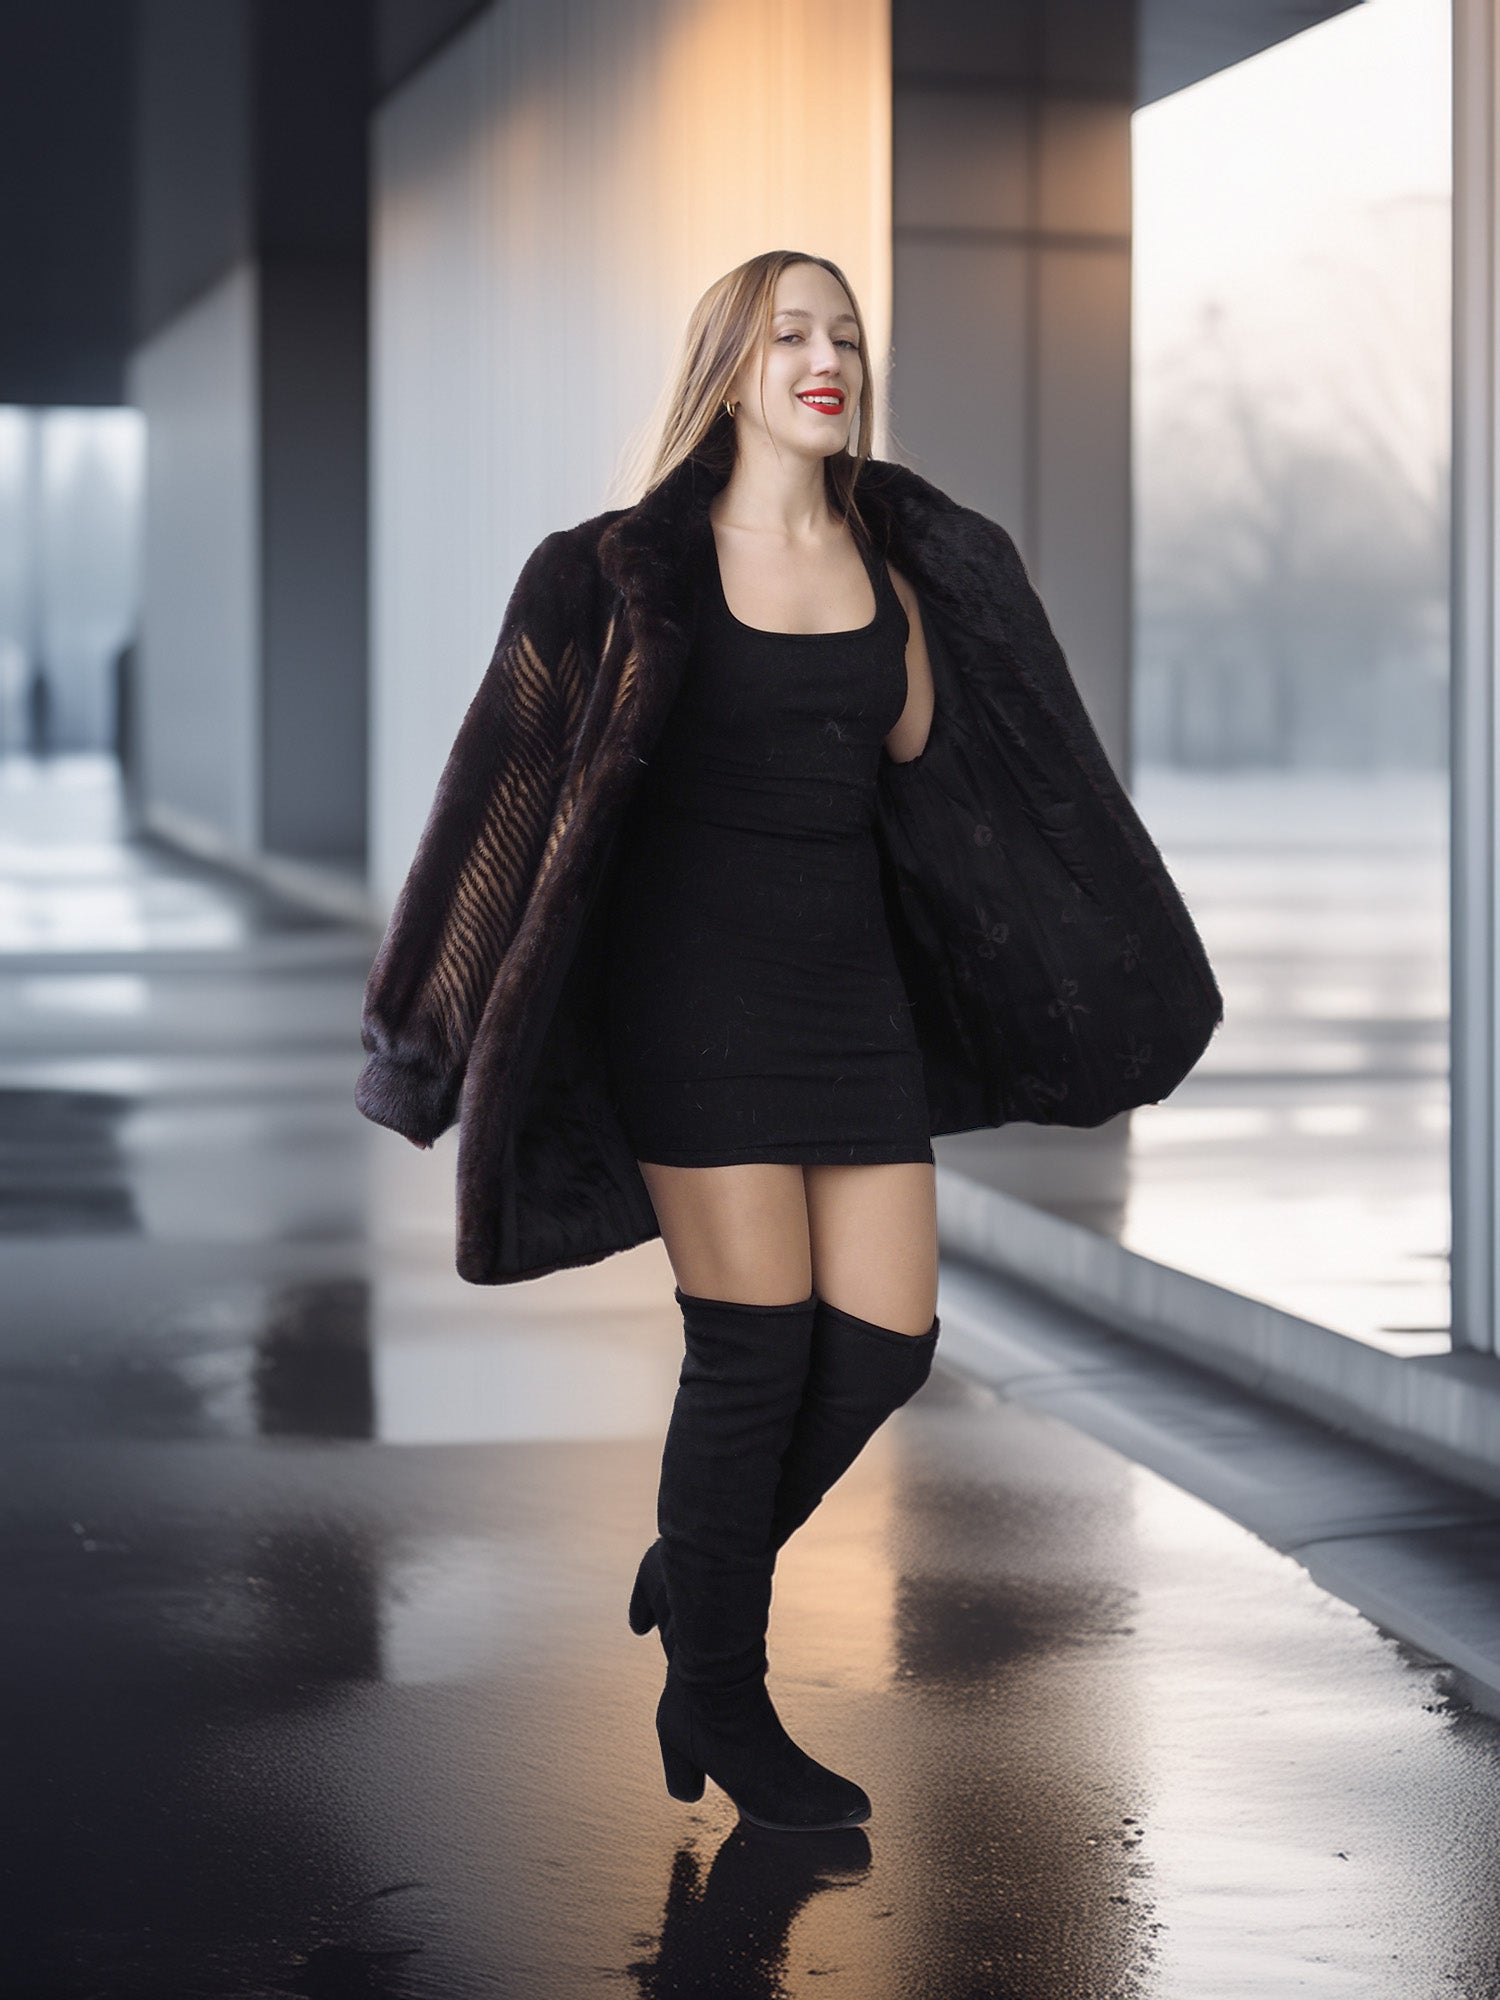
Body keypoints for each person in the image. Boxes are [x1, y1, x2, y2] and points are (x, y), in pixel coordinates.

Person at [355, 248, 1223, 1839]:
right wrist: (423, 1032)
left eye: (844, 335)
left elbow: (949, 776)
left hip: (850, 998)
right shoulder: (616, 574)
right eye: (787, 336)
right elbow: (501, 794)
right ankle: (723, 1695)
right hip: (686, 1002)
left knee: (886, 1342)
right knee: (753, 1350)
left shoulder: (904, 569)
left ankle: (702, 1563)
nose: (825, 359)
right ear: (729, 373)